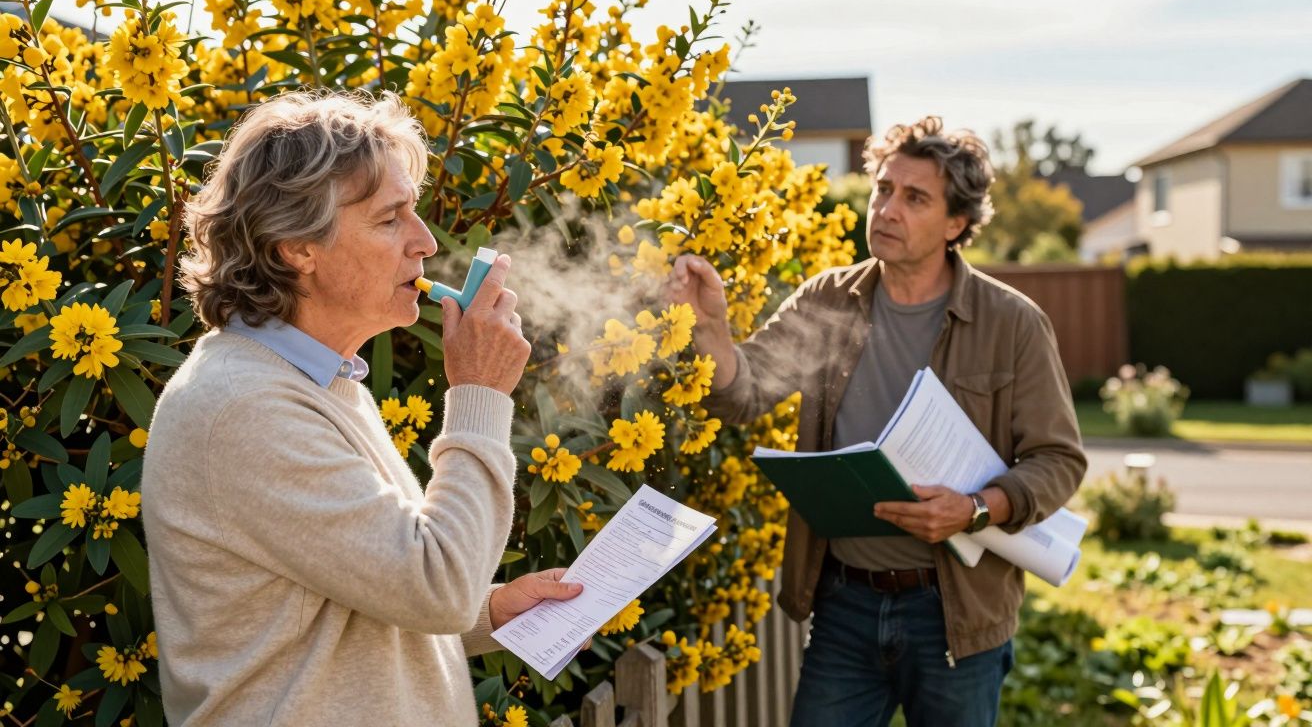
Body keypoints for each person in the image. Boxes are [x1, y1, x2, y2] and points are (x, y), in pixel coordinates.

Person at [142, 90, 576, 726]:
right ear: (297, 246)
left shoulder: (322, 384)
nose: (425, 242)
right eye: (389, 219)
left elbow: (364, 594)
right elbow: (437, 584)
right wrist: (478, 392)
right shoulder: (244, 409)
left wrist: (490, 611)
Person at [669, 116, 1087, 726]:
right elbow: (745, 393)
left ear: (956, 224)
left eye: (914, 198)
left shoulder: (1012, 323)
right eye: (883, 190)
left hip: (955, 615)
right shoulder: (826, 299)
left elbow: (1059, 460)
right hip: (845, 603)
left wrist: (974, 508)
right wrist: (711, 330)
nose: (887, 210)